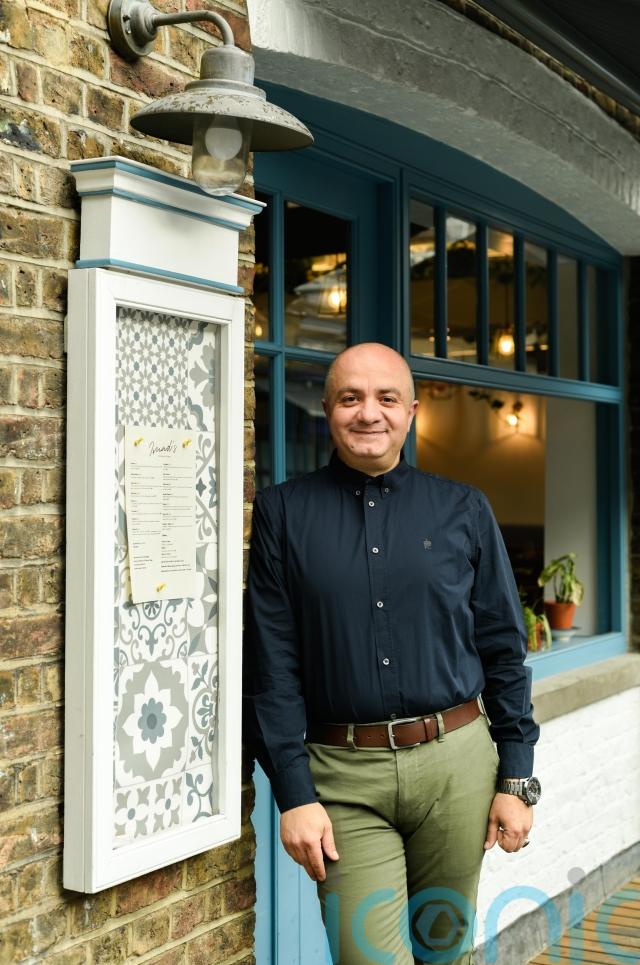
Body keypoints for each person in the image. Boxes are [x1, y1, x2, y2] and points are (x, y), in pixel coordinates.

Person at [243, 342, 540, 965]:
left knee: (444, 951)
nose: (368, 413)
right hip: (342, 775)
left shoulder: (463, 509)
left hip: (456, 767)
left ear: (411, 411)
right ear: (328, 409)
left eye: (386, 398)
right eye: (350, 398)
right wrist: (294, 793)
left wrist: (516, 778)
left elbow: (503, 650)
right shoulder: (282, 513)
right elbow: (272, 665)